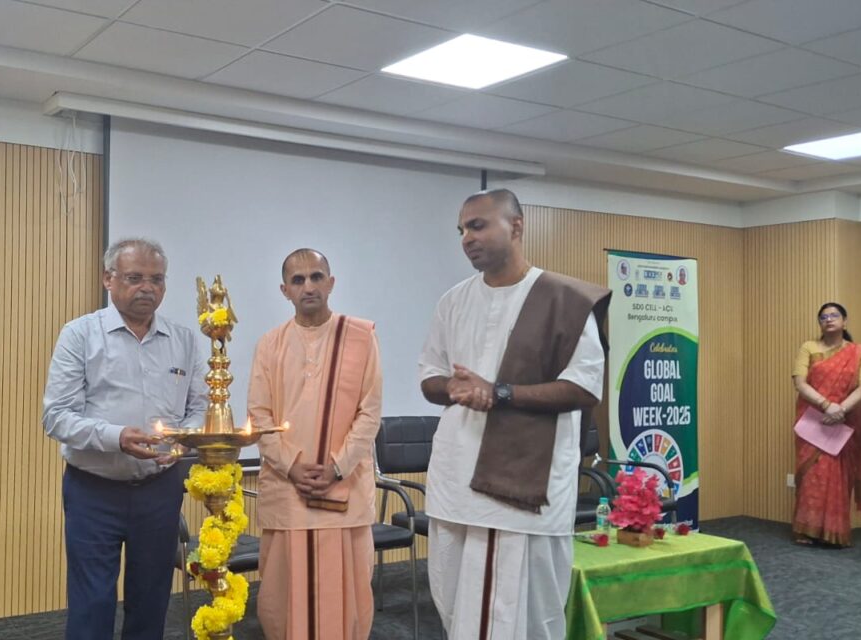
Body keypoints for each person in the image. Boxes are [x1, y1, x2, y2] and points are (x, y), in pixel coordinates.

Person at [419, 189, 608, 640]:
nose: (467, 237)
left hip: (526, 482)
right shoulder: (452, 301)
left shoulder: (565, 299)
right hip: (456, 477)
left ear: (517, 227)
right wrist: (452, 387)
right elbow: (429, 379)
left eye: (478, 225)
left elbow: (583, 386)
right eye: (462, 230)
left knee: (523, 610)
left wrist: (500, 392)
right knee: (453, 602)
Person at [42, 238, 208, 640]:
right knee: (93, 603)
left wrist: (184, 441)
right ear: (108, 279)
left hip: (160, 488)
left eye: (156, 279)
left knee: (151, 599)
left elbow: (201, 407)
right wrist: (116, 437)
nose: (147, 288)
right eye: (134, 278)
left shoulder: (185, 340)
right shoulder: (80, 334)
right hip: (93, 491)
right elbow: (56, 416)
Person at [248, 249, 383, 639]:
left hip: (344, 487)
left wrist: (337, 466)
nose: (308, 286)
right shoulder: (269, 344)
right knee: (282, 595)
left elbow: (370, 411)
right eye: (298, 280)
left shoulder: (360, 339)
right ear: (284, 290)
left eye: (316, 276)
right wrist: (292, 466)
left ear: (331, 282)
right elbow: (259, 416)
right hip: (289, 490)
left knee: (348, 594)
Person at [790, 302, 861, 547]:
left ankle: (834, 532)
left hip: (844, 423)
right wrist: (827, 405)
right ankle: (806, 530)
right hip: (813, 421)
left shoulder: (860, 353)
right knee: (812, 475)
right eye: (823, 317)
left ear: (844, 321)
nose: (829, 319)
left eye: (834, 315)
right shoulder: (809, 347)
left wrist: (840, 410)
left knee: (838, 474)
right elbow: (800, 382)